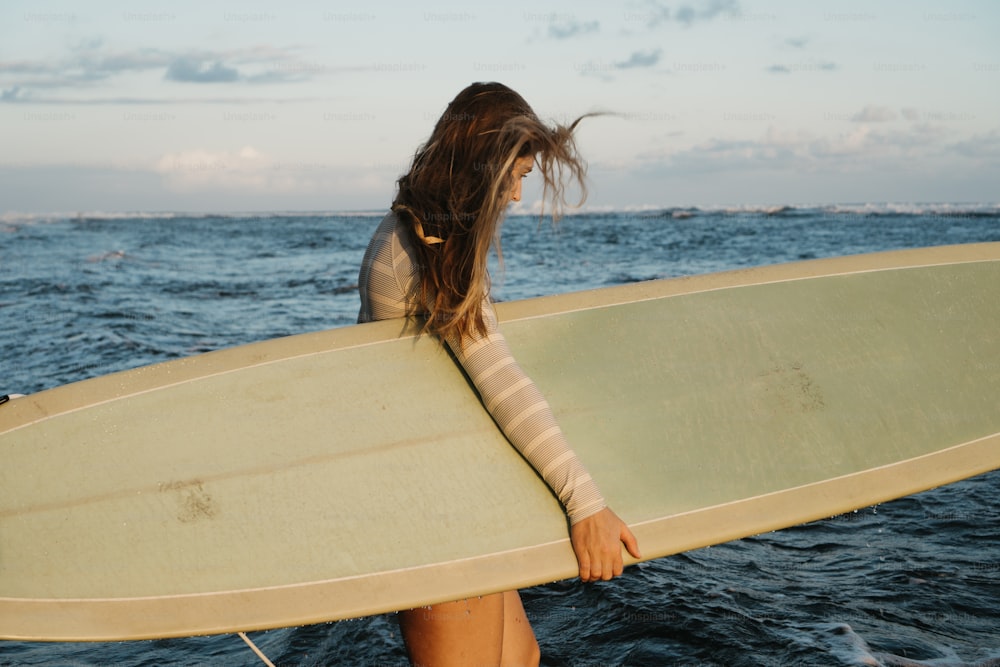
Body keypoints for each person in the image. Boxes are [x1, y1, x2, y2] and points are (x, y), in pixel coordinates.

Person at [358, 82, 641, 666]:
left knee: (523, 659)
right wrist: (585, 504)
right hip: (432, 508)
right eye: (515, 175)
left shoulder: (417, 229)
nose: (515, 195)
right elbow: (503, 384)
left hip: (448, 486)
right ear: (484, 167)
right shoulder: (430, 251)